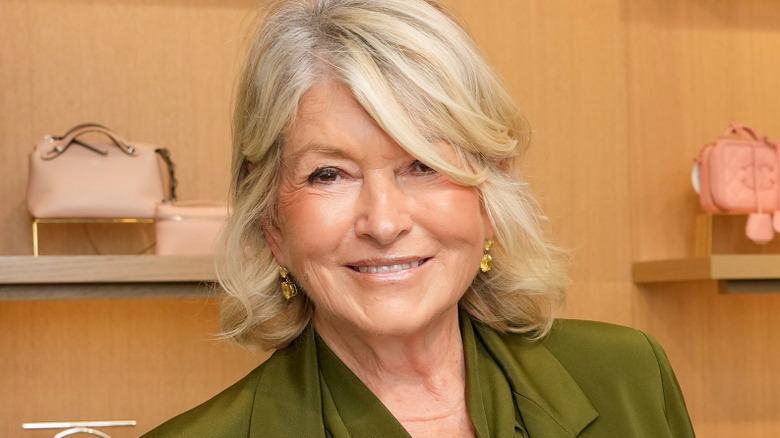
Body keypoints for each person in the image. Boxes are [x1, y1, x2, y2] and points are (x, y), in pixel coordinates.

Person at [144, 0, 695, 436]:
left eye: (422, 165)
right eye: (329, 175)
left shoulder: (629, 377)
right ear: (272, 224)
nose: (383, 223)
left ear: (489, 196)